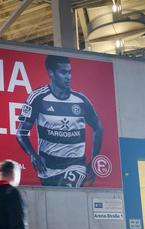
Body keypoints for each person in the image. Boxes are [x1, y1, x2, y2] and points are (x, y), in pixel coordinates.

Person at [16, 55, 103, 188]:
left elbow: (98, 127)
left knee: (69, 197)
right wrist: (33, 155)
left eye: (70, 72)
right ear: (51, 73)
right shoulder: (38, 97)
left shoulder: (81, 100)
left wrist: (94, 160)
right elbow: (21, 132)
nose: (68, 77)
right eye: (63, 72)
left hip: (76, 165)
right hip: (47, 169)